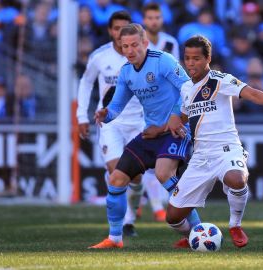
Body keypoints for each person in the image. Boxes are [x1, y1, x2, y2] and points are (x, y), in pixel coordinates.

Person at [165, 35, 263, 248]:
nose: (190, 63)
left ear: (208, 58)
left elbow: (251, 93)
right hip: (200, 156)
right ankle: (192, 236)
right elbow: (188, 115)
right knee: (173, 217)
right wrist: (176, 121)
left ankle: (235, 225)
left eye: (196, 58)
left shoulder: (220, 80)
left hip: (227, 149)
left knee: (237, 179)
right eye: (187, 58)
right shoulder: (186, 89)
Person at [90, 23, 201, 249]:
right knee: (117, 179)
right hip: (150, 133)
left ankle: (198, 231)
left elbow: (189, 88)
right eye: (125, 47)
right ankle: (115, 239)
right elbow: (117, 106)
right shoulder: (127, 72)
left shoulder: (164, 60)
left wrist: (175, 117)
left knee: (162, 174)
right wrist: (106, 114)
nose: (130, 50)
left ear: (145, 43)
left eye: (134, 45)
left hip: (175, 130)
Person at [76, 11, 147, 237]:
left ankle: (131, 218)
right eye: (117, 29)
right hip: (110, 121)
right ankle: (122, 223)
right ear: (110, 31)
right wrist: (81, 116)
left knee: (136, 177)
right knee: (116, 171)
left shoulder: (145, 56)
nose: (120, 34)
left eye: (126, 28)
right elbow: (86, 83)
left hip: (138, 122)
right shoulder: (100, 56)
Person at [138, 2, 181, 221]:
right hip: (141, 106)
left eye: (157, 17)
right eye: (150, 18)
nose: (154, 21)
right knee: (141, 159)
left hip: (164, 107)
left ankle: (145, 203)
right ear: (144, 20)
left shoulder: (170, 43)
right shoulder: (137, 44)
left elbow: (176, 74)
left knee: (157, 160)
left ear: (162, 19)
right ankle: (152, 206)